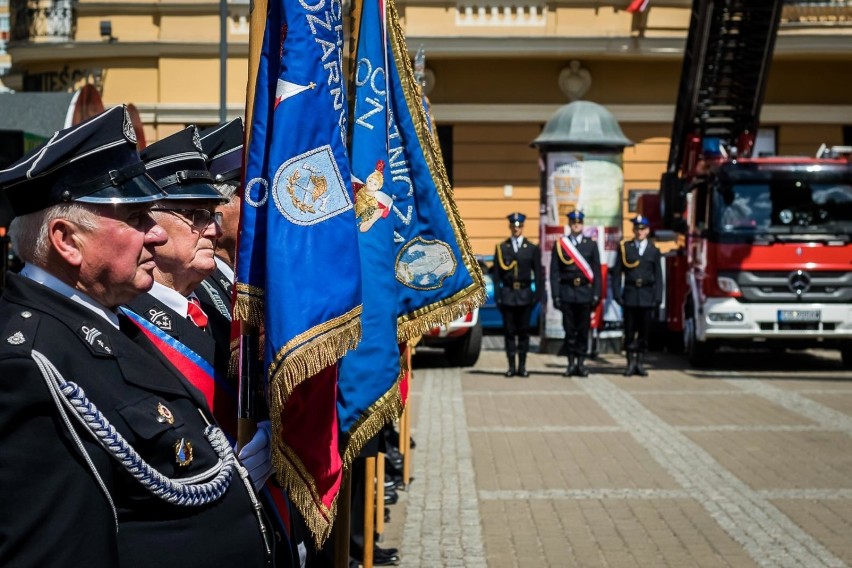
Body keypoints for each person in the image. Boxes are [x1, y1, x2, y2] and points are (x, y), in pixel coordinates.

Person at [0, 106, 271, 567]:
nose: (156, 237)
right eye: (136, 218)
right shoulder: (30, 366)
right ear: (67, 240)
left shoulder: (106, 321)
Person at [549, 210, 601, 377]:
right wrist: (556, 296)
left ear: (582, 224)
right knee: (569, 330)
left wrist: (596, 295)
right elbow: (554, 272)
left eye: (579, 222)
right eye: (573, 222)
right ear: (570, 224)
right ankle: (571, 363)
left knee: (583, 331)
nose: (576, 224)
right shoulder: (560, 244)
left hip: (585, 293)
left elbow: (597, 273)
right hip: (567, 293)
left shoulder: (591, 245)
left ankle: (581, 363)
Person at [612, 214, 663, 376]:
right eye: (637, 229)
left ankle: (640, 363)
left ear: (647, 231)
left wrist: (658, 296)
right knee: (629, 330)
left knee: (644, 331)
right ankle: (629, 362)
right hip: (630, 294)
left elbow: (658, 276)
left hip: (647, 295)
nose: (639, 232)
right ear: (633, 230)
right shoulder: (626, 248)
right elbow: (617, 273)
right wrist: (616, 294)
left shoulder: (653, 251)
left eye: (642, 229)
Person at [492, 212, 542, 377]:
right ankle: (511, 366)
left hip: (525, 295)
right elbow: (497, 276)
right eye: (514, 226)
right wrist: (498, 297)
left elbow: (538, 274)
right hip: (508, 295)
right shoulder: (502, 248)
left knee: (524, 333)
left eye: (519, 226)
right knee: (509, 332)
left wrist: (537, 296)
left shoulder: (532, 248)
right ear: (510, 227)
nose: (516, 229)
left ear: (523, 227)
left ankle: (522, 366)